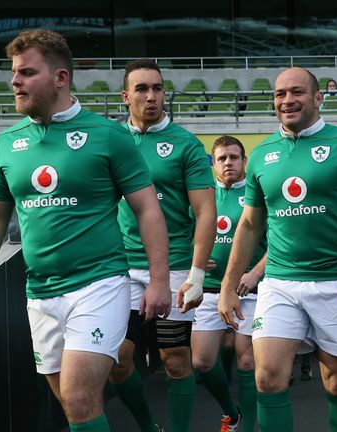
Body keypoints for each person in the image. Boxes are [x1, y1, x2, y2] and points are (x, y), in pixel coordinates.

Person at [0, 29, 170, 432]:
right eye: (14, 72)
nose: (14, 81)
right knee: (74, 409)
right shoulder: (6, 143)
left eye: (26, 72)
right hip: (40, 293)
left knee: (79, 399)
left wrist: (159, 280)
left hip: (99, 284)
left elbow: (147, 210)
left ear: (60, 78)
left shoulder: (109, 135)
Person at [218, 66, 337, 432]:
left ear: (318, 97)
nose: (287, 100)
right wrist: (228, 286)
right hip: (280, 283)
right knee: (267, 379)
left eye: (297, 92)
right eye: (279, 94)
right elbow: (249, 224)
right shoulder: (262, 154)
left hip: (336, 283)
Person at [118, 58, 216, 432]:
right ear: (126, 97)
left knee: (175, 359)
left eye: (157, 88)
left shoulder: (185, 144)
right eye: (142, 89)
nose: (151, 96)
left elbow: (205, 211)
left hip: (174, 266)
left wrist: (195, 273)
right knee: (117, 360)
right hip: (122, 267)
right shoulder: (112, 140)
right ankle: (148, 427)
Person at [191, 135, 267, 432]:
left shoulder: (256, 193)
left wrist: (255, 273)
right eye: (221, 158)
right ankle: (232, 413)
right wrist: (193, 260)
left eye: (234, 157)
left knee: (247, 362)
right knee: (202, 362)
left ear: (244, 161)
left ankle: (247, 428)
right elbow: (186, 234)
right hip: (209, 289)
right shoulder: (203, 195)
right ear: (214, 163)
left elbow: (278, 242)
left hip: (249, 290)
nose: (228, 163)